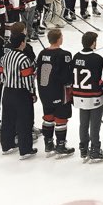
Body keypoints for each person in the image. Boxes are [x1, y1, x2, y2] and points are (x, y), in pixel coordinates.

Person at [35, 29, 75, 158]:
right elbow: (67, 75)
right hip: (59, 91)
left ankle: (48, 144)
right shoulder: (65, 54)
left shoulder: (42, 53)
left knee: (48, 116)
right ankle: (60, 145)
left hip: (44, 91)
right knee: (61, 118)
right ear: (59, 39)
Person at [71, 32, 103, 163]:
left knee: (83, 123)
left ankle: (83, 149)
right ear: (93, 43)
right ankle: (95, 150)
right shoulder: (97, 59)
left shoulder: (76, 57)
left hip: (79, 96)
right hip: (94, 96)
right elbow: (102, 79)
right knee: (95, 124)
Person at [0, 32, 38, 159]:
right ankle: (25, 150)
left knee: (7, 120)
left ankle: (7, 145)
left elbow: (0, 75)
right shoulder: (24, 59)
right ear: (22, 43)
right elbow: (28, 80)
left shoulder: (5, 57)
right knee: (24, 121)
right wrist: (32, 93)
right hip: (21, 93)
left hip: (7, 91)